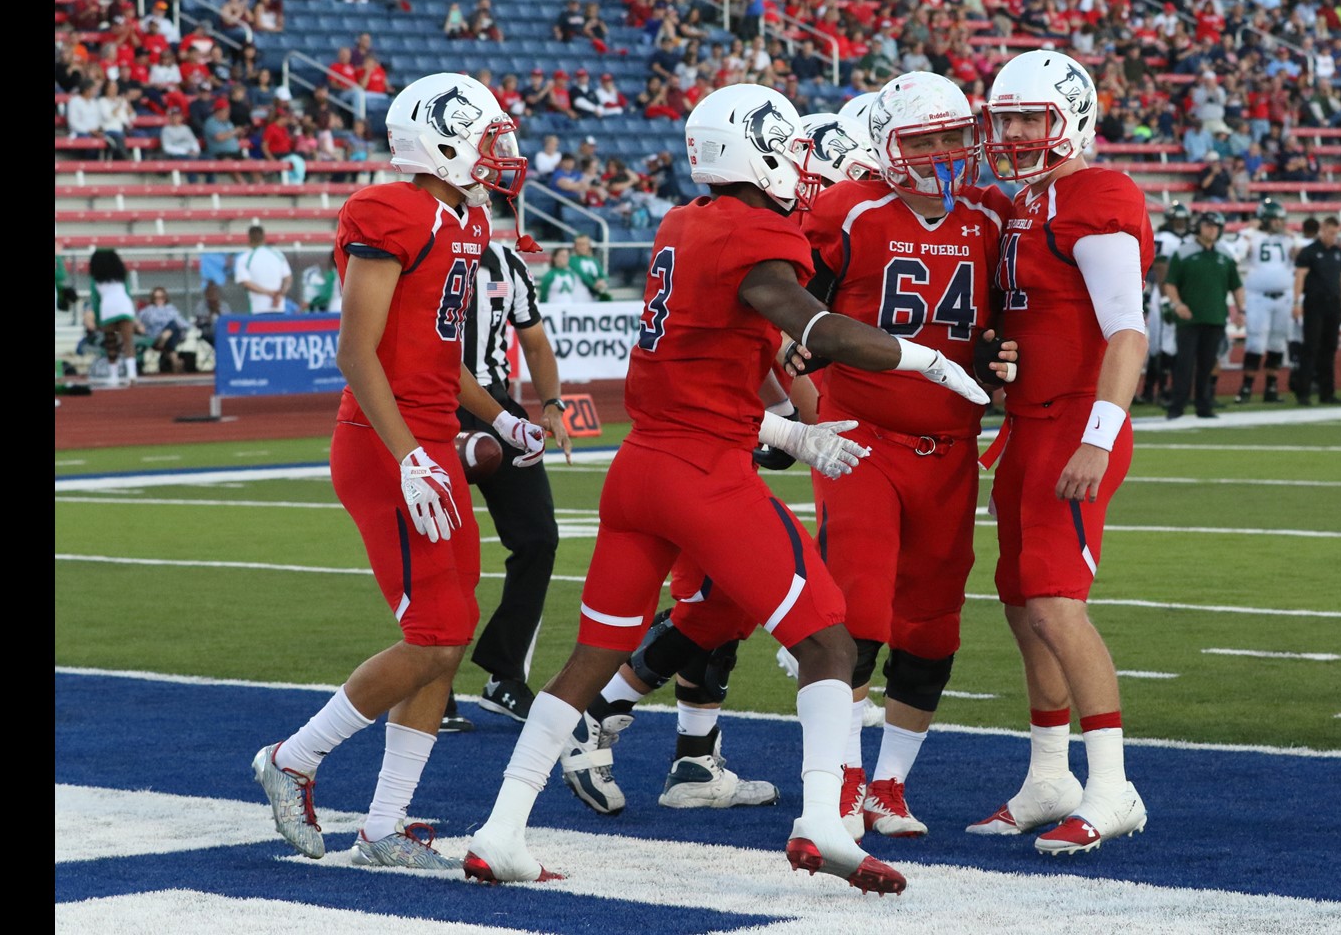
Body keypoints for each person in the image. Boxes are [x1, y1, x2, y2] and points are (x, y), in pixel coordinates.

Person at [462, 83, 990, 893]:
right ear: (761, 146)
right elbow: (813, 327)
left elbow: (703, 373)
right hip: (703, 475)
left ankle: (501, 828)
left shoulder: (682, 224)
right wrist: (926, 359)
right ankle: (822, 820)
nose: (806, 164)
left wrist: (790, 432)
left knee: (589, 660)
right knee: (829, 641)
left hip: (641, 467)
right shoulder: (754, 233)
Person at [250, 73, 545, 871]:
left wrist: (500, 415)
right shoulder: (389, 210)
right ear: (440, 140)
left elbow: (436, 356)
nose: (498, 153)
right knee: (436, 633)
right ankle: (293, 759)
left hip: (433, 442)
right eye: (485, 137)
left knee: (449, 641)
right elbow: (355, 351)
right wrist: (409, 452)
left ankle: (384, 824)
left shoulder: (464, 220)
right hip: (389, 447)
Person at [783, 73, 1014, 840]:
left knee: (933, 624)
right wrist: (796, 409)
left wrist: (1005, 355)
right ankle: (841, 781)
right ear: (887, 147)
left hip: (952, 446)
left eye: (954, 136)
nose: (946, 153)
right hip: (863, 439)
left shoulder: (991, 215)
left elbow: (1014, 322)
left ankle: (889, 785)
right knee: (858, 610)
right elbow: (782, 308)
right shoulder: (849, 212)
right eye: (925, 140)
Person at [976, 50, 1154, 854]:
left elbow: (1127, 330)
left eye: (1028, 118)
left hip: (1074, 423)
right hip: (1027, 423)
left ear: (1071, 118)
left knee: (1054, 600)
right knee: (1020, 602)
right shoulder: (1029, 201)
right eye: (1005, 118)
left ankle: (1113, 787)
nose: (1012, 133)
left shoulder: (1098, 195)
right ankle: (1051, 772)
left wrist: (1097, 434)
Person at [460, 238, 574, 728]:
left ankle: (504, 673)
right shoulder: (428, 246)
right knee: (442, 547)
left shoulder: (506, 260)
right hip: (430, 404)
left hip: (496, 404)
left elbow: (534, 340)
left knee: (538, 538)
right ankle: (425, 680)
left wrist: (552, 404)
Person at [1162, 212, 1243, 419]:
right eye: (1208, 226)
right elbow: (1170, 283)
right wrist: (1178, 304)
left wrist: (1241, 310)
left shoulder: (1225, 254)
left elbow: (1236, 285)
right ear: (1199, 227)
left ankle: (1203, 405)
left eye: (1216, 226)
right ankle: (1177, 406)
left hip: (1215, 316)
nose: (1212, 229)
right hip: (1189, 318)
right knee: (1184, 364)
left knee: (1207, 365)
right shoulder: (1184, 252)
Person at [1237, 200, 1295, 404]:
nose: (1279, 223)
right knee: (1255, 342)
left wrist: (1294, 239)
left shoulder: (1287, 239)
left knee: (1277, 343)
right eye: (1275, 219)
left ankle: (1271, 387)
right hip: (1258, 297)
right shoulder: (1252, 236)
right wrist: (1249, 233)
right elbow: (1237, 253)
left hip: (1283, 297)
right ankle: (1246, 388)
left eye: (1281, 219)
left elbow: (1299, 256)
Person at [1291, 216, 1341, 405]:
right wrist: (1296, 302)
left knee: (1330, 348)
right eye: (1331, 233)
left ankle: (1327, 392)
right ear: (1322, 230)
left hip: (1333, 303)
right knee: (1311, 347)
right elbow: (1300, 277)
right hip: (1315, 303)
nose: (1334, 237)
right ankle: (1304, 391)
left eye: (1336, 234)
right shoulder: (1309, 252)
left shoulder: (1339, 253)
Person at [1139, 203, 1190, 406]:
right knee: (1160, 345)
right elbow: (1159, 268)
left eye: (1183, 220)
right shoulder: (1164, 238)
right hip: (1164, 297)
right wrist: (1167, 299)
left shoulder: (1189, 240)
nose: (1181, 224)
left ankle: (1161, 389)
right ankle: (1156, 389)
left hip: (1182, 296)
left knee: (1171, 344)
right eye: (1177, 220)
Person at [88, 248, 138, 386]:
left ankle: (114, 376)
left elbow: (95, 300)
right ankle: (132, 374)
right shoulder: (121, 276)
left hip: (108, 308)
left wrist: (98, 319)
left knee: (111, 343)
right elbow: (127, 293)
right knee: (128, 342)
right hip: (124, 306)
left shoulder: (96, 279)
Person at [236, 226, 293, 313]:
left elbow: (247, 284)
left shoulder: (244, 258)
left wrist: (269, 293)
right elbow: (288, 279)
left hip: (258, 309)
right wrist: (279, 294)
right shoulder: (277, 254)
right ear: (264, 237)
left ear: (249, 238)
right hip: (278, 307)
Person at [135, 286, 187, 373]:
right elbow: (136, 319)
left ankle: (164, 337)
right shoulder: (148, 310)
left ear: (165, 298)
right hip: (155, 336)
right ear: (152, 298)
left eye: (161, 297)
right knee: (172, 328)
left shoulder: (171, 308)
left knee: (173, 325)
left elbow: (183, 323)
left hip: (170, 335)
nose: (159, 300)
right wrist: (139, 325)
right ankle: (175, 361)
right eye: (156, 298)